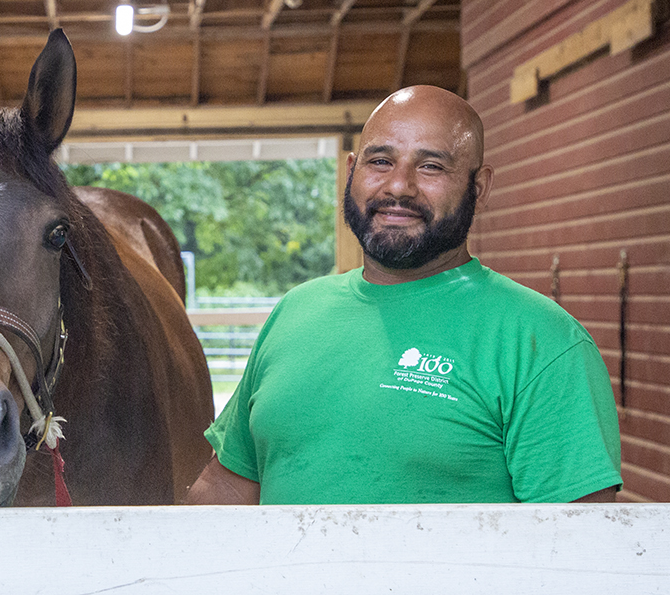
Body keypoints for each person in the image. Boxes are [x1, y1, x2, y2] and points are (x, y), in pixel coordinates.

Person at [185, 85, 622, 505]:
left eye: (431, 166)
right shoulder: (295, 312)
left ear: (479, 186)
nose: (399, 187)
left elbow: (581, 547)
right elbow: (228, 488)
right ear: (352, 169)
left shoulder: (541, 341)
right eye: (380, 161)